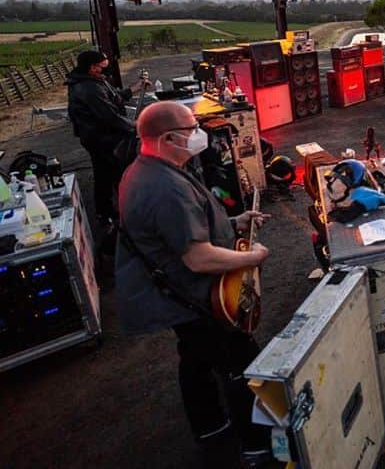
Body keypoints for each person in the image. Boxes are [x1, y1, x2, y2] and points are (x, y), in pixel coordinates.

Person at [115, 101, 274, 468]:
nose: (199, 135)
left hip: (177, 296)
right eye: (192, 129)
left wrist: (234, 222)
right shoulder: (164, 188)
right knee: (239, 362)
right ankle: (256, 447)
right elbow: (198, 257)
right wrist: (252, 257)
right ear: (169, 138)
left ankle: (210, 426)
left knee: (196, 358)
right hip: (193, 296)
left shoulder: (149, 170)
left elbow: (183, 229)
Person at [65, 49, 147, 226]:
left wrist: (134, 88)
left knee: (105, 173)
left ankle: (109, 211)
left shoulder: (94, 80)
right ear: (93, 67)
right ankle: (111, 214)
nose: (106, 69)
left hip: (102, 135)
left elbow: (114, 98)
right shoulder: (88, 88)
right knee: (110, 173)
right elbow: (108, 115)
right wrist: (135, 126)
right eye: (103, 66)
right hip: (100, 138)